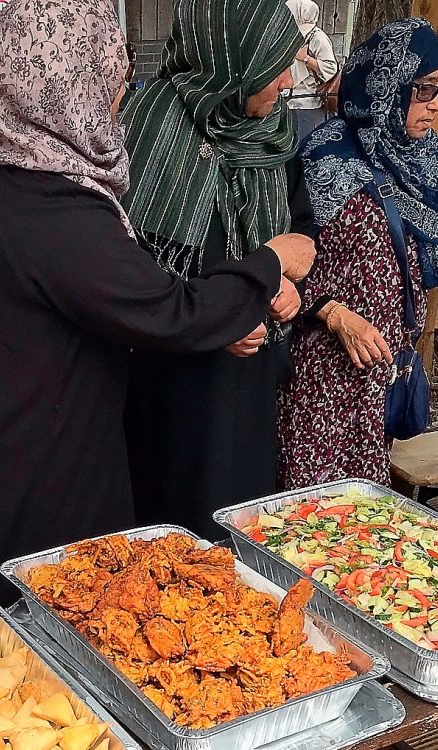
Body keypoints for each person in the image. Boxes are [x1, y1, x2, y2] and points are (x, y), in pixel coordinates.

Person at [0, 0, 314, 603]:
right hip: (27, 458)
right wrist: (267, 265)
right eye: (106, 66)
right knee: (30, 629)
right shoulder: (48, 199)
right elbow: (164, 307)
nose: (120, 82)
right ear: (67, 80)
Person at [276, 19, 438, 490]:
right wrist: (335, 315)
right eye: (424, 90)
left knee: (363, 515)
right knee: (306, 515)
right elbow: (283, 260)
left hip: (383, 374)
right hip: (321, 373)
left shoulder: (426, 160)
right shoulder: (326, 156)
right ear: (387, 85)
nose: (437, 104)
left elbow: (434, 264)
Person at [120, 0, 314, 539]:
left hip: (251, 379)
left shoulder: (274, 132)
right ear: (233, 58)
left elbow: (301, 229)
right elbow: (128, 272)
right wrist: (215, 319)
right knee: (171, 536)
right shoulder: (149, 127)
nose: (286, 80)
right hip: (173, 384)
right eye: (273, 64)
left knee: (244, 526)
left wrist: (292, 285)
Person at [285, 0, 338, 143]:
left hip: (308, 103)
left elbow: (330, 68)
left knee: (304, 147)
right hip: (287, 101)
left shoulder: (317, 37)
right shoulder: (289, 35)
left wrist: (306, 58)